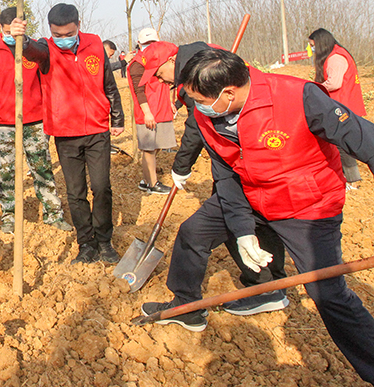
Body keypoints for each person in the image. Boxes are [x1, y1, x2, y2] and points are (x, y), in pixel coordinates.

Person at [141, 48, 374, 384]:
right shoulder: (207, 113)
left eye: (199, 99)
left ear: (229, 93)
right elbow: (224, 172)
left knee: (329, 294)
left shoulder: (297, 97)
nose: (195, 107)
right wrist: (242, 229)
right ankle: (187, 305)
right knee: (193, 232)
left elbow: (364, 141)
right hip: (249, 192)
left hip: (305, 204)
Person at [137, 40, 289, 316]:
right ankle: (267, 287)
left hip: (252, 160)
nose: (160, 81)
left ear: (172, 62)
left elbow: (197, 125)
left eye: (159, 74)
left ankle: (263, 288)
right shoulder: (194, 64)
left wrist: (181, 165)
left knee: (230, 222)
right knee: (231, 221)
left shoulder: (201, 72)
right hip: (239, 163)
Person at [11, 3, 125, 264]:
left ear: (78, 25)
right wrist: (22, 37)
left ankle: (104, 241)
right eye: (57, 35)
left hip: (97, 129)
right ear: (50, 31)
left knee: (101, 187)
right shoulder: (46, 50)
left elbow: (109, 83)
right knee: (75, 193)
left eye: (68, 34)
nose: (63, 40)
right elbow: (31, 49)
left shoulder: (95, 44)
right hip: (65, 133)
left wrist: (117, 117)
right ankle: (86, 244)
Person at [0, 6, 71, 234]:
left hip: (35, 120)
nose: (12, 35)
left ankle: (53, 213)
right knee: (6, 171)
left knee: (42, 168)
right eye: (8, 31)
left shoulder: (34, 48)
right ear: (0, 28)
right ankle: (9, 217)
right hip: (3, 122)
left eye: (16, 30)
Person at [308, 28, 368, 190]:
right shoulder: (337, 54)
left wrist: (314, 88)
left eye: (313, 45)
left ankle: (352, 180)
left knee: (341, 144)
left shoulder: (336, 58)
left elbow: (335, 83)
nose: (312, 49)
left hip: (341, 106)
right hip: (343, 105)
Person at [126, 27, 175, 194]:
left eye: (153, 43)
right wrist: (147, 112)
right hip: (148, 112)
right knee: (148, 149)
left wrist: (170, 102)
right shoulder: (137, 64)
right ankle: (152, 184)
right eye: (146, 44)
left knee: (157, 147)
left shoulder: (163, 60)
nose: (150, 47)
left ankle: (146, 179)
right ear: (139, 44)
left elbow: (166, 84)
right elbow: (138, 91)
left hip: (162, 109)